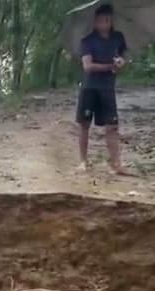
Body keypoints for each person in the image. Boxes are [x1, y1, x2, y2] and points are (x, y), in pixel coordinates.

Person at [76, 3, 129, 174]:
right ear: (94, 22)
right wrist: (109, 67)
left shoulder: (118, 38)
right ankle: (83, 161)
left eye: (107, 20)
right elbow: (87, 66)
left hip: (107, 88)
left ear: (111, 20)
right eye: (100, 20)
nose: (104, 23)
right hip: (90, 87)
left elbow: (122, 57)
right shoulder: (87, 41)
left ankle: (116, 163)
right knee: (84, 124)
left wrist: (121, 62)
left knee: (112, 126)